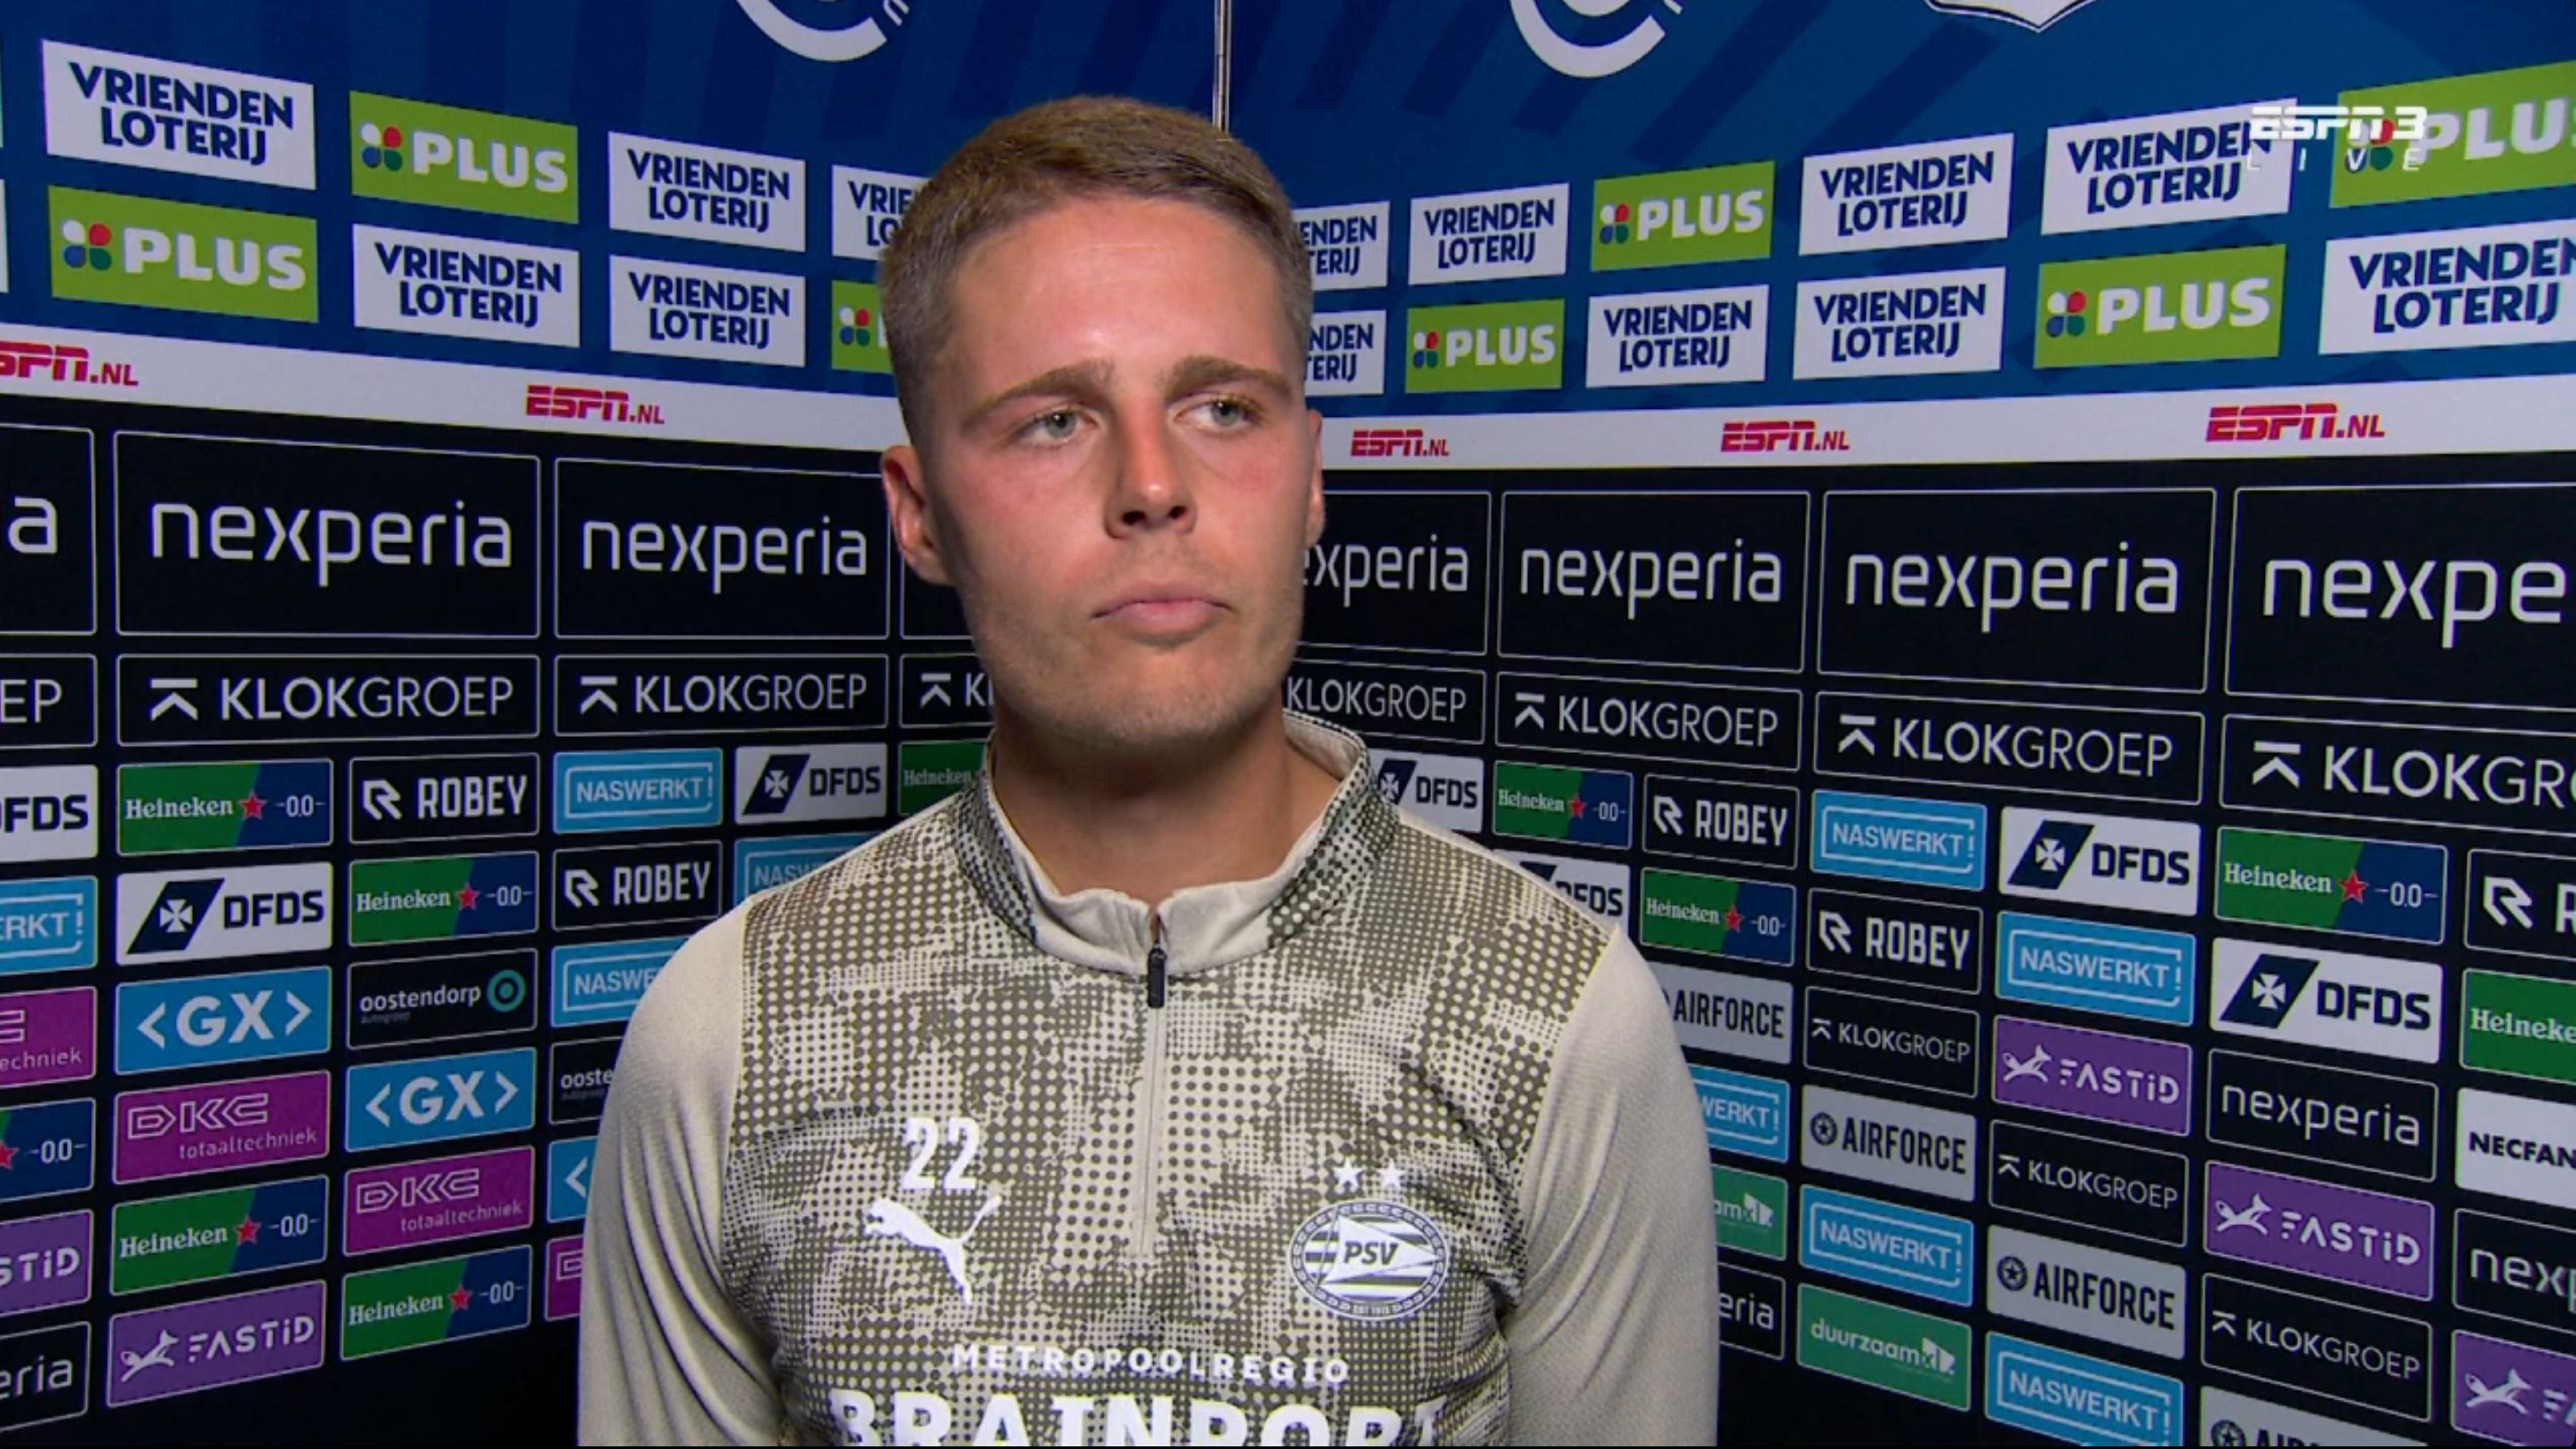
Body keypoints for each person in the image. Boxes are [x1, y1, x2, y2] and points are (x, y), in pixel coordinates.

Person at [580, 94, 1719, 1446]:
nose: (1152, 484)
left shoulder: (1556, 1015)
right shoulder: (732, 1033)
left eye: (1222, 407)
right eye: (1053, 421)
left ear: (1309, 475)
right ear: (921, 511)